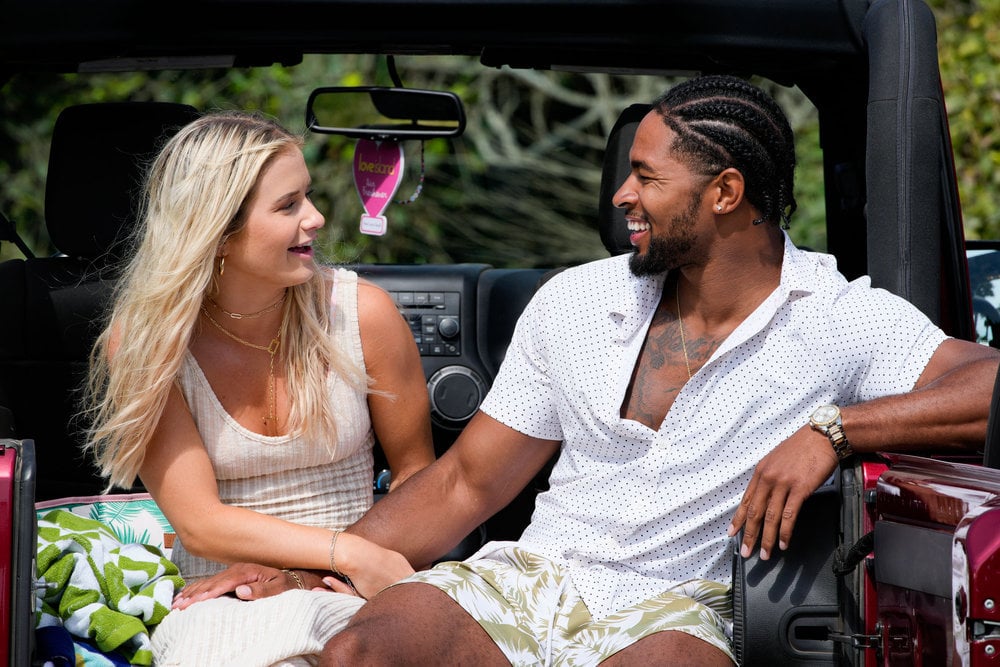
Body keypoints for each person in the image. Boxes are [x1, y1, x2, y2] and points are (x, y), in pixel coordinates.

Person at [182, 75, 1000, 665]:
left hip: (680, 607)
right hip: (530, 579)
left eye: (646, 177)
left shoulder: (834, 316)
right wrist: (304, 569)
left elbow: (988, 382)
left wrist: (836, 428)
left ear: (724, 192)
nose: (621, 196)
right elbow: (466, 483)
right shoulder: (576, 301)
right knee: (364, 650)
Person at [80, 110, 435, 666]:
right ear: (217, 232)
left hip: (350, 586)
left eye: (308, 197)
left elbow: (419, 479)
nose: (316, 218)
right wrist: (343, 553)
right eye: (288, 205)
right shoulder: (144, 344)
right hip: (227, 601)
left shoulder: (363, 313)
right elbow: (200, 523)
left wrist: (330, 571)